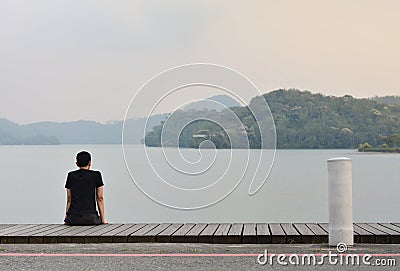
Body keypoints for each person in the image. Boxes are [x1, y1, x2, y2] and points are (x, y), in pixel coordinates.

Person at [64, 151, 107, 225]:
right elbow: (100, 198)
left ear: (77, 164)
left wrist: (66, 217)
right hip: (90, 218)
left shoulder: (71, 176)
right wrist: (103, 219)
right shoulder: (96, 175)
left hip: (73, 218)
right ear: (90, 162)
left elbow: (69, 199)